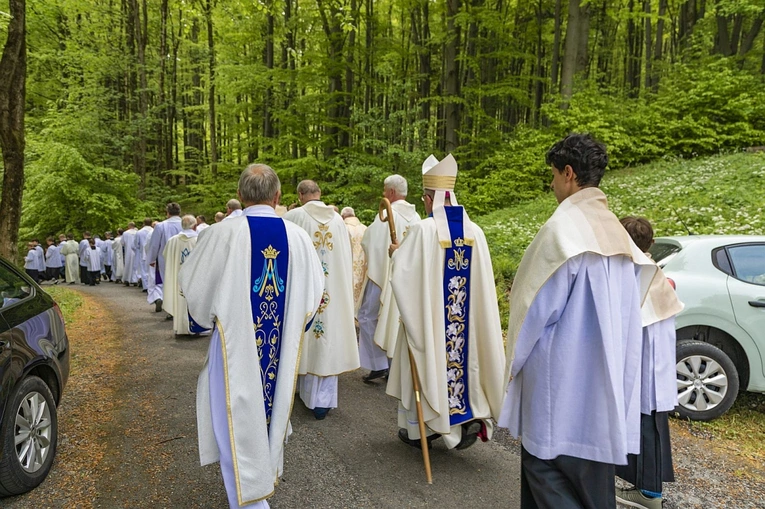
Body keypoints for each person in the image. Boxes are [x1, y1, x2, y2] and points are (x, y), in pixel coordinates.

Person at [498, 134, 665, 508]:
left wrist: (510, 367)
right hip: (603, 392)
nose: (553, 185)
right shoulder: (618, 234)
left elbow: (533, 311)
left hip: (560, 392)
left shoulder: (561, 232)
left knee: (548, 479)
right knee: (593, 491)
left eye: (554, 176)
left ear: (569, 173)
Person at [180, 163, 324, 509]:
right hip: (281, 348)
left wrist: (202, 323)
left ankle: (251, 502)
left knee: (234, 417)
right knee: (264, 415)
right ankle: (259, 485)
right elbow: (315, 297)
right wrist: (290, 329)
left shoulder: (220, 234)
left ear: (241, 196)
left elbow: (195, 293)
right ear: (278, 197)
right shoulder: (299, 238)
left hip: (233, 348)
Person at [386, 155, 506, 451]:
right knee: (468, 360)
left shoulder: (424, 231)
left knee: (428, 358)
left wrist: (395, 254)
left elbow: (405, 276)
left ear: (429, 199)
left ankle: (425, 429)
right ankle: (466, 418)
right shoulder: (475, 232)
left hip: (433, 322)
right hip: (466, 327)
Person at [616, 217, 683, 509]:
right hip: (657, 364)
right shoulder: (657, 274)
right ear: (652, 244)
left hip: (643, 366)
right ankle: (645, 489)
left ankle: (649, 493)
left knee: (644, 424)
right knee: (650, 424)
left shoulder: (632, 273)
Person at [284, 180, 360, 419]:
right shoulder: (338, 220)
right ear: (320, 194)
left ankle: (304, 392)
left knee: (307, 339)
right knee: (328, 339)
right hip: (334, 294)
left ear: (299, 195)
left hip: (305, 291)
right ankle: (322, 401)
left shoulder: (293, 217)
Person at [359, 174, 421, 383]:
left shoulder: (388, 213)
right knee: (399, 318)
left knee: (367, 315)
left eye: (385, 190)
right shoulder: (417, 216)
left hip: (384, 275)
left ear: (391, 192)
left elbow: (371, 241)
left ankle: (379, 364)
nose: (384, 194)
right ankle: (396, 365)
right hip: (407, 278)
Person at [162, 215, 209, 335]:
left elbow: (167, 256)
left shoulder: (172, 241)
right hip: (197, 277)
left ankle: (181, 327)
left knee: (180, 298)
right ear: (194, 226)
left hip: (179, 277)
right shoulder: (200, 239)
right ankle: (198, 328)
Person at [148, 203, 183, 312]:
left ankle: (170, 308)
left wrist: (151, 259)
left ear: (167, 213)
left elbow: (154, 245)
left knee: (167, 282)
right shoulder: (185, 223)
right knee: (181, 281)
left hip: (165, 258)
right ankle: (181, 306)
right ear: (179, 212)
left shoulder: (161, 226)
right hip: (183, 257)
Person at [341, 207, 367, 309]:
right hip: (363, 269)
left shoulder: (342, 228)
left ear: (343, 216)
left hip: (347, 266)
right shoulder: (366, 228)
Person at [136, 218, 154, 291]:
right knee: (152, 270)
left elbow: (136, 244)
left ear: (144, 223)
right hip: (153, 252)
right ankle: (152, 285)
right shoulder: (154, 231)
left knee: (144, 270)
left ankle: (146, 286)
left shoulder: (139, 232)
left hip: (143, 252)